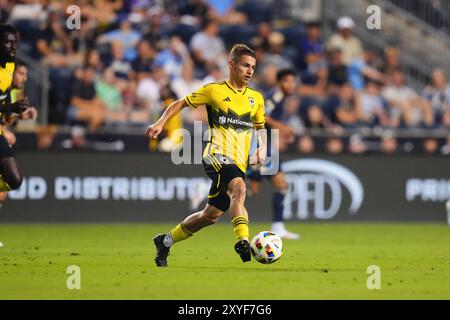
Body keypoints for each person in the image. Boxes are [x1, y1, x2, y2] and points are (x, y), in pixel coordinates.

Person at [146, 44, 267, 267]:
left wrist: (262, 148)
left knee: (210, 215)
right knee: (239, 188)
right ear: (231, 65)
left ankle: (165, 241)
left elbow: (260, 127)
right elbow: (180, 102)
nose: (250, 71)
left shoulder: (256, 99)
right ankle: (242, 240)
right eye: (245, 66)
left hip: (237, 163)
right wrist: (161, 122)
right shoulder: (214, 91)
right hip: (216, 155)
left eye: (253, 67)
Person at [247, 69, 300, 240]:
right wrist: (282, 127)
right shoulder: (275, 96)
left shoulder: (280, 97)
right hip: (259, 145)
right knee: (279, 185)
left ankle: (279, 227)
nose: (291, 85)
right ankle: (278, 227)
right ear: (279, 82)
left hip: (263, 145)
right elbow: (261, 115)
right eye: (288, 81)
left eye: (293, 81)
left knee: (255, 189)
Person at [0, 24, 37, 194]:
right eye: (9, 43)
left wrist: (17, 112)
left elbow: (4, 114)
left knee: (14, 179)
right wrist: (10, 107)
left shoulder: (9, 66)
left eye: (16, 43)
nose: (14, 47)